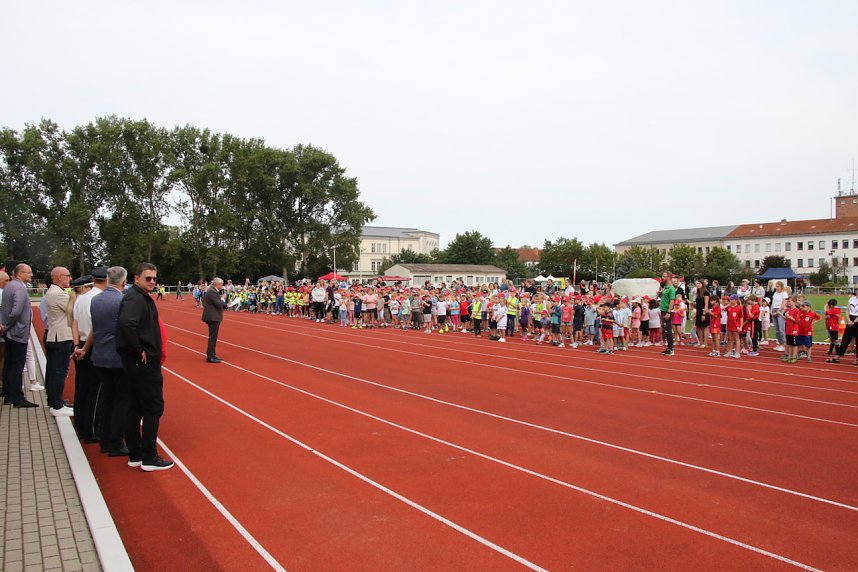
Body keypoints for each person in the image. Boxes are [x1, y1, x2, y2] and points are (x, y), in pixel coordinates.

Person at [116, 262, 173, 471]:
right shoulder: (135, 298)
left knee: (135, 407)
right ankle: (149, 457)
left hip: (137, 361)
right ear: (136, 278)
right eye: (147, 278)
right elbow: (126, 323)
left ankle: (136, 454)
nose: (151, 282)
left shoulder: (137, 297)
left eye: (154, 278)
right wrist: (138, 349)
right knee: (153, 407)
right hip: (143, 362)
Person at [82, 266, 130, 456]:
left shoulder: (95, 299)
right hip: (117, 357)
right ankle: (115, 442)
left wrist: (86, 348)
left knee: (106, 398)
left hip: (100, 356)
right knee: (121, 401)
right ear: (124, 282)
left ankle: (104, 439)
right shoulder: (122, 300)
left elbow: (96, 327)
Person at [71, 268, 107, 441]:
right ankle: (91, 431)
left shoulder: (81, 298)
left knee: (82, 388)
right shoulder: (98, 299)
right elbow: (96, 327)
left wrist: (77, 345)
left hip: (81, 345)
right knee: (96, 391)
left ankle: (80, 423)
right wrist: (85, 348)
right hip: (92, 347)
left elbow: (74, 323)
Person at [1, 264, 38, 408]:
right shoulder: (20, 288)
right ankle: (18, 397)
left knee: (9, 364)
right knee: (17, 365)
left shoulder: (9, 286)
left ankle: (8, 395)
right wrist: (7, 325)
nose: (31, 275)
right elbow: (16, 311)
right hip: (17, 332)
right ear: (20, 273)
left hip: (10, 333)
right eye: (28, 272)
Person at [44, 266, 76, 417]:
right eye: (67, 276)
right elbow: (74, 309)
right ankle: (56, 404)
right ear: (58, 278)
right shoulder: (59, 294)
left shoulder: (53, 292)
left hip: (55, 335)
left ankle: (54, 400)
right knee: (59, 372)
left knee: (52, 370)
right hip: (61, 337)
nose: (70, 278)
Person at [828, 286, 858, 364]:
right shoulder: (852, 299)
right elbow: (847, 310)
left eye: (857, 289)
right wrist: (849, 320)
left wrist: (854, 321)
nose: (856, 290)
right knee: (845, 338)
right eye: (855, 289)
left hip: (856, 320)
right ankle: (839, 355)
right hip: (850, 319)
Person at [201, 277, 229, 363]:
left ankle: (212, 354)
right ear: (218, 284)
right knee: (212, 337)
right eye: (221, 284)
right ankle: (210, 356)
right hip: (212, 317)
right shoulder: (212, 291)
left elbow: (217, 302)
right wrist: (224, 299)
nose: (222, 286)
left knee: (213, 337)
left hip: (213, 316)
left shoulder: (212, 290)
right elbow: (218, 303)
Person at [659, 272, 676, 356]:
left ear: (669, 277)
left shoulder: (671, 288)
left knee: (668, 330)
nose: (662, 278)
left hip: (667, 311)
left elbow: (672, 301)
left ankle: (671, 349)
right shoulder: (665, 287)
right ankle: (669, 347)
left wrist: (669, 312)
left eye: (664, 276)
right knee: (665, 330)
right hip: (663, 310)